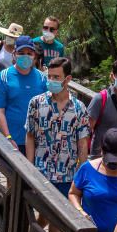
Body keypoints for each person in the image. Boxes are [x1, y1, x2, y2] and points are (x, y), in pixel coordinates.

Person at [25, 57, 90, 196]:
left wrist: (81, 175)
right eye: (49, 76)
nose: (52, 80)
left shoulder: (79, 108)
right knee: (42, 215)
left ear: (67, 79)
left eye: (56, 77)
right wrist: (30, 169)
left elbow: (83, 143)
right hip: (41, 173)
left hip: (68, 176)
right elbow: (30, 136)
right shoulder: (36, 103)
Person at [0, 36, 47, 155]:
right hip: (13, 140)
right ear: (14, 54)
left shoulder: (42, 78)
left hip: (37, 140)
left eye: (29, 53)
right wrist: (8, 137)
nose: (25, 56)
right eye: (21, 53)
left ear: (34, 56)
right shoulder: (3, 77)